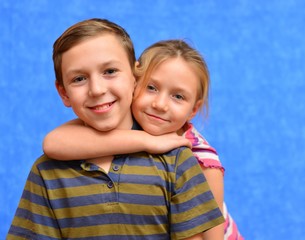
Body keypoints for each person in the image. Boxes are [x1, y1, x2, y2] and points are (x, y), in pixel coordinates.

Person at [7, 18, 225, 240]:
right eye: (79, 78)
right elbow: (52, 143)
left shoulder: (183, 158)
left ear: (134, 77)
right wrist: (146, 141)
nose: (97, 89)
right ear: (64, 93)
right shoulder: (47, 171)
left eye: (110, 71)